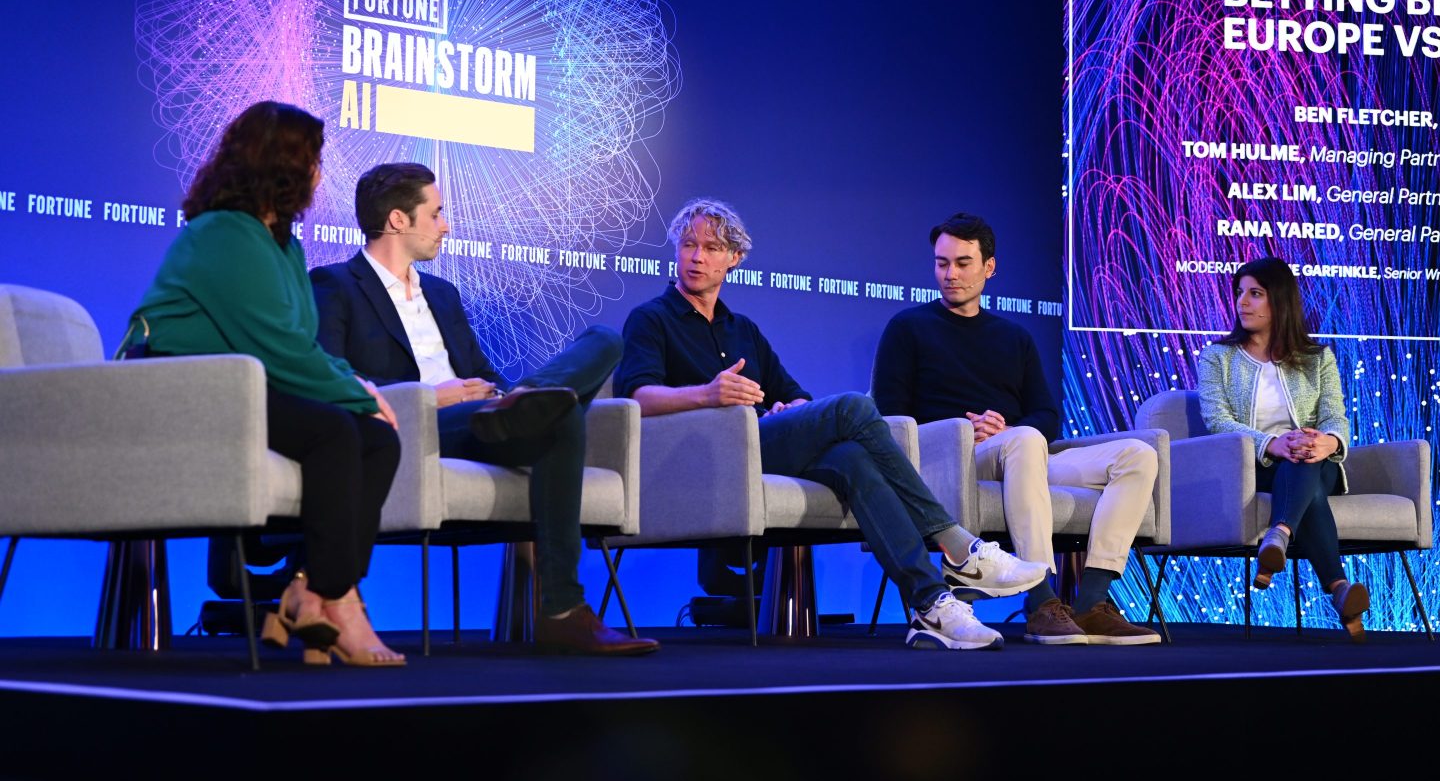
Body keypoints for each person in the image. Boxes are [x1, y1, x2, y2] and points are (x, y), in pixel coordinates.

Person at [614, 198, 1049, 650]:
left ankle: (931, 603)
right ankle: (957, 544)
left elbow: (794, 393)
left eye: (710, 247)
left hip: (761, 445)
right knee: (853, 408)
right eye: (688, 245)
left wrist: (790, 408)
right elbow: (637, 398)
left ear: (734, 258)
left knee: (853, 458)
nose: (697, 257)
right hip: (707, 451)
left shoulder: (742, 329)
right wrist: (708, 394)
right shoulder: (651, 319)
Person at [310, 162, 658, 655]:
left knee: (599, 347)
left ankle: (528, 402)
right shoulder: (335, 284)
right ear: (397, 220)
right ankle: (564, 605)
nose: (447, 225)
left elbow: (482, 372)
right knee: (560, 415)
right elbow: (335, 377)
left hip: (482, 419)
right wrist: (432, 394)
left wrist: (496, 393)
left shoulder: (443, 294)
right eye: (436, 214)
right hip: (414, 423)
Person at [129, 101, 404, 666]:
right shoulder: (223, 234)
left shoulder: (282, 243)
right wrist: (361, 392)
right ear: (282, 164)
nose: (320, 173)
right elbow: (277, 347)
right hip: (177, 391)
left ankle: (317, 589)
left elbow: (296, 343)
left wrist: (354, 390)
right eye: (313, 159)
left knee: (377, 438)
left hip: (240, 390)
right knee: (335, 429)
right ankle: (337, 601)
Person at [873, 212, 1160, 646]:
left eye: (963, 263)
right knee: (1025, 440)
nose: (950, 274)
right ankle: (1041, 599)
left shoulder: (1015, 337)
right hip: (952, 458)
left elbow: (1046, 415)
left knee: (1138, 455)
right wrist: (961, 429)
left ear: (990, 267)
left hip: (1016, 453)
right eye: (942, 263)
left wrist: (1006, 427)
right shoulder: (908, 328)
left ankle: (1092, 602)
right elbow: (891, 415)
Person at [1196, 256, 1367, 641]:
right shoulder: (1218, 357)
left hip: (1314, 463)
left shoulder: (1317, 358)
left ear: (1280, 301)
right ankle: (1339, 589)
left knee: (1304, 457)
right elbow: (1217, 421)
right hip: (1254, 465)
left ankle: (1280, 533)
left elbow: (1336, 417)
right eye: (1240, 293)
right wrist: (1273, 442)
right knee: (1296, 461)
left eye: (1255, 294)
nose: (1243, 302)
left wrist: (1328, 442)